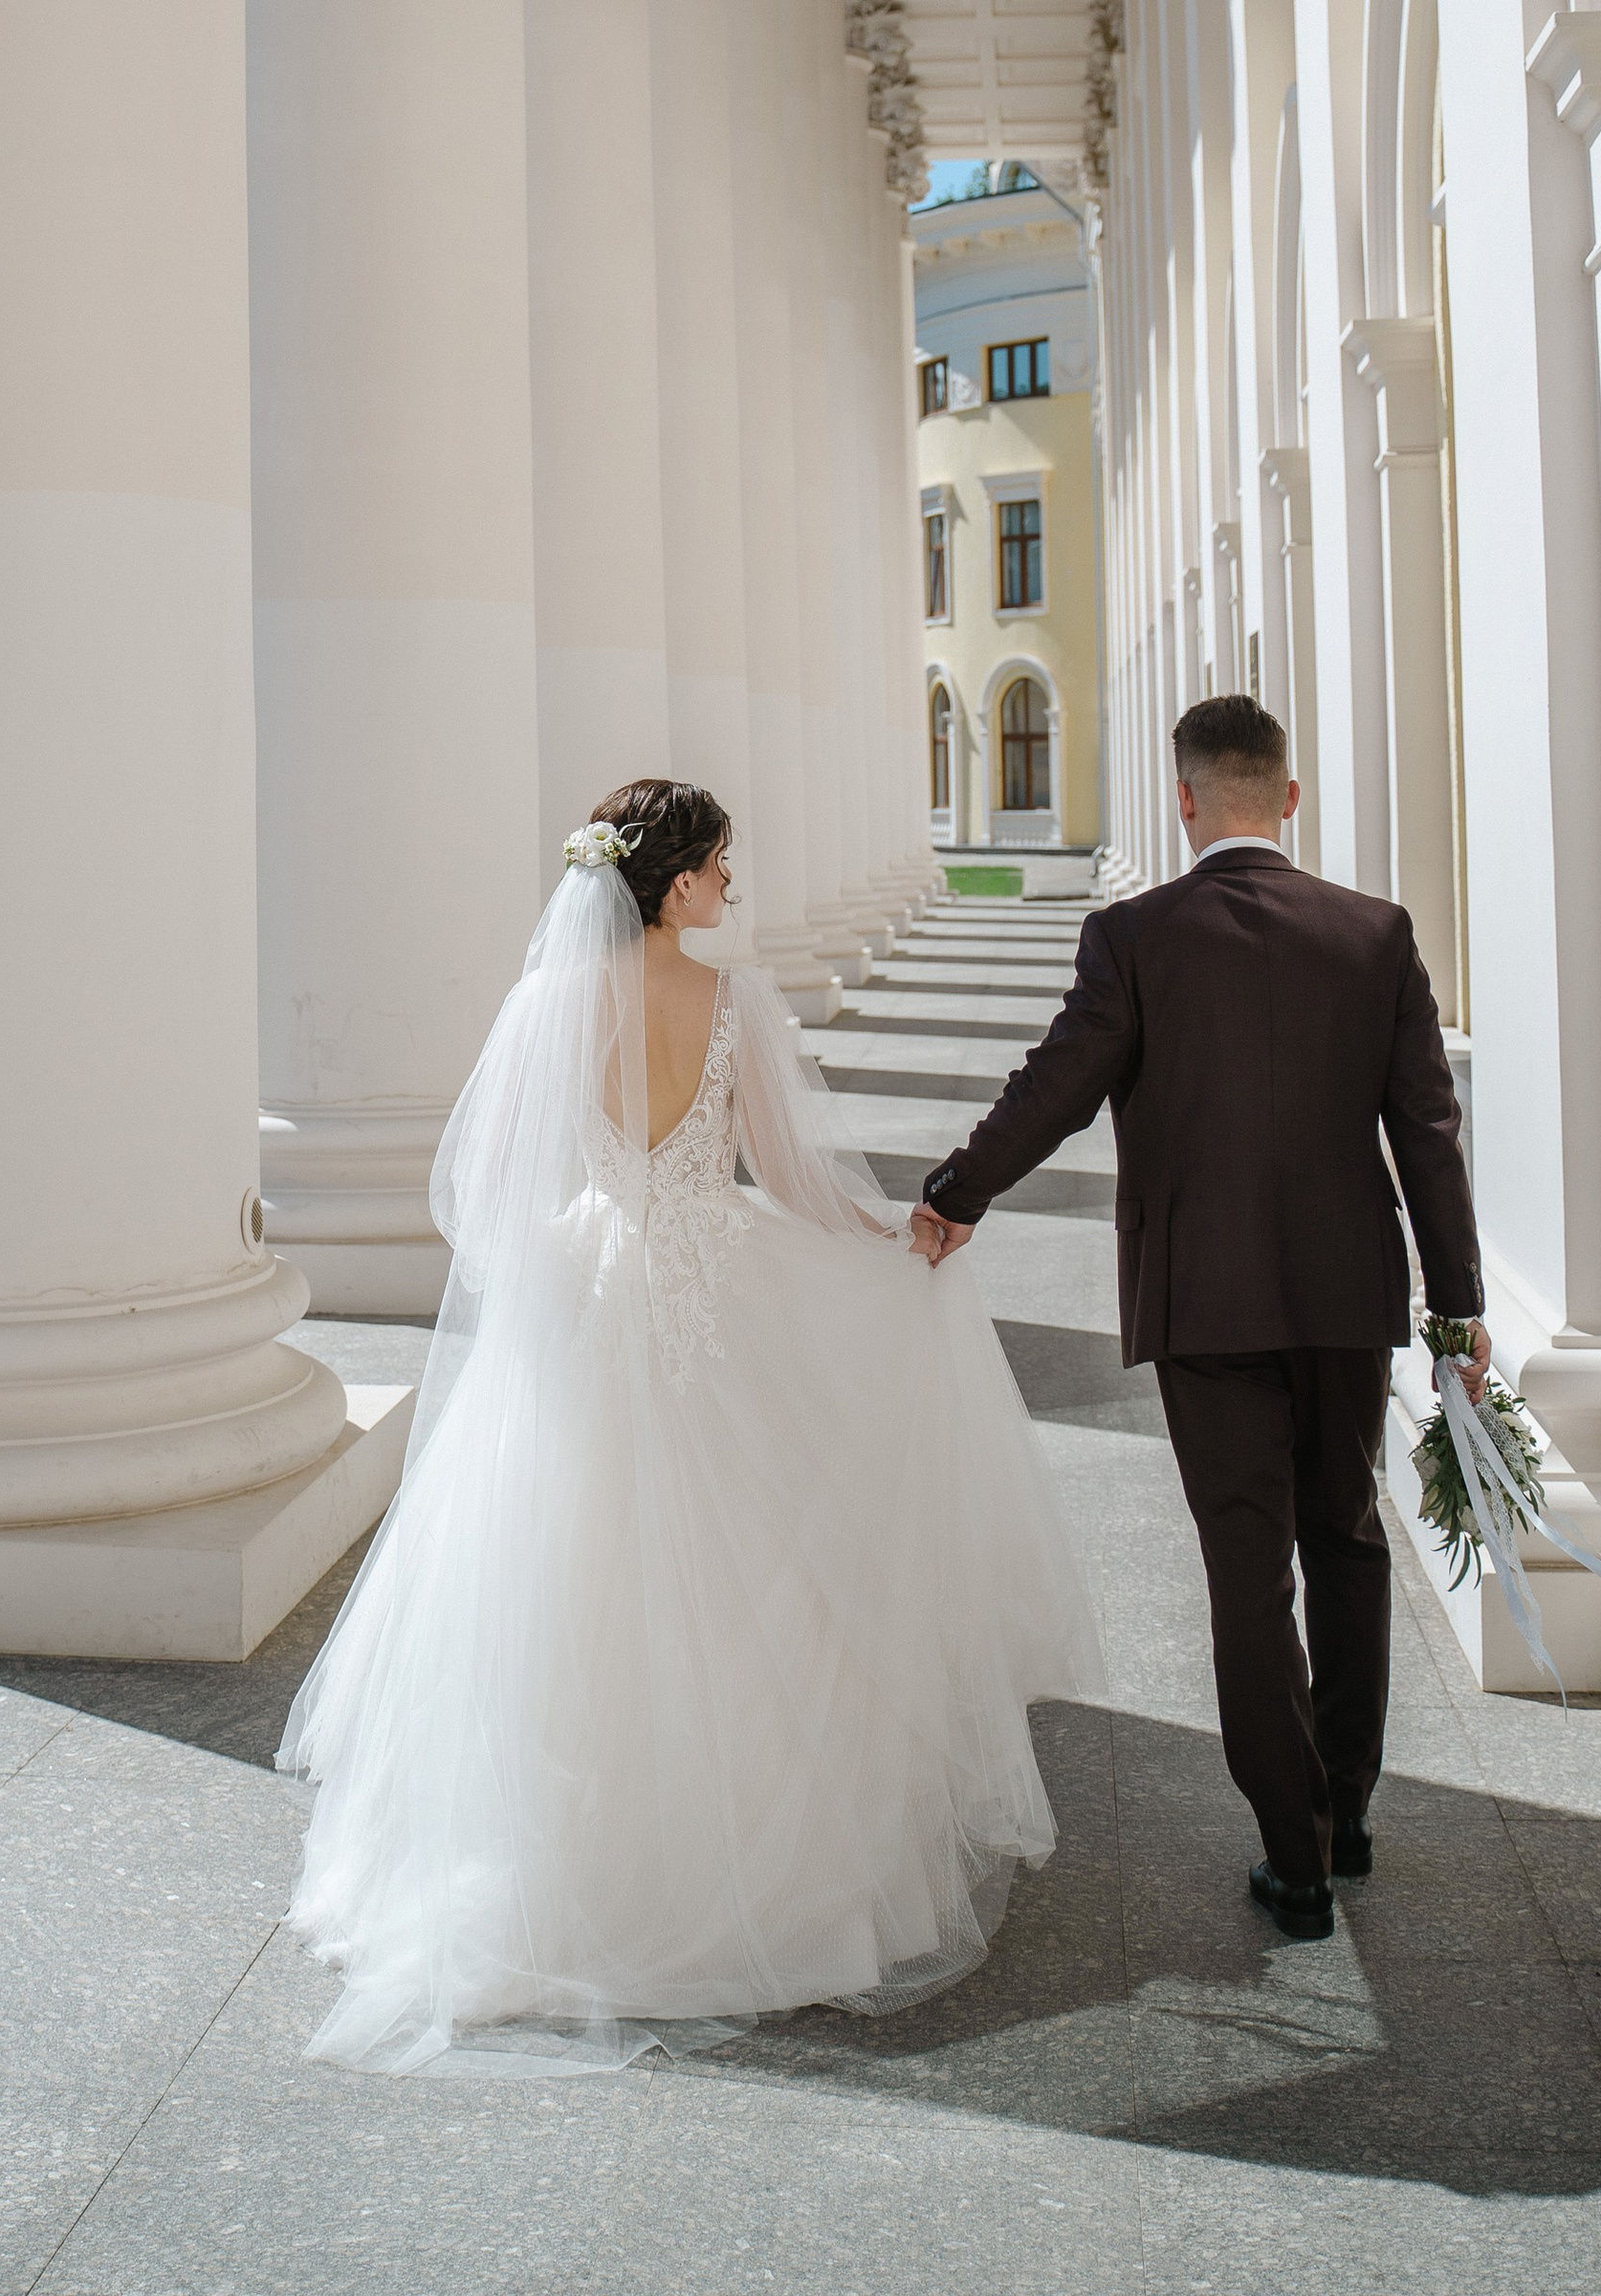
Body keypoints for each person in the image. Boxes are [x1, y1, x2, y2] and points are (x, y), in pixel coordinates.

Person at [278, 776, 1101, 2071]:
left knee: (557, 1588)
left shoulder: (543, 1004)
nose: (734, 884)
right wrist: (903, 1238)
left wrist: (563, 1263)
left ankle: (559, 1883)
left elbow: (487, 1197)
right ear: (669, 880)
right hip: (721, 1293)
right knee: (762, 1572)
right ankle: (762, 1888)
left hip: (592, 1298)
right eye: (720, 863)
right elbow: (795, 1180)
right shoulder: (734, 1002)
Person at [910, 694, 1486, 1945]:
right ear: (1290, 795)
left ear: (1183, 802)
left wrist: (960, 1189)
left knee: (1247, 1570)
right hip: (1347, 1294)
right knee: (1346, 1539)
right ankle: (1349, 1808)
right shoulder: (1376, 933)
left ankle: (1297, 1858)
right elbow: (1427, 1133)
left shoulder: (1135, 935)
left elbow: (1058, 1082)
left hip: (1204, 1298)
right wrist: (1460, 1307)